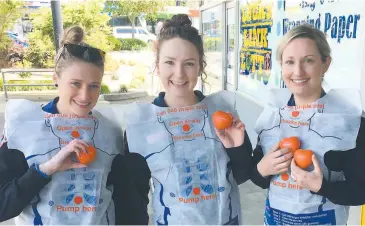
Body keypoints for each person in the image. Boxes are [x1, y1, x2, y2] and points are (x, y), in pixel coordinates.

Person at [0, 25, 149, 225]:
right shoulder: (24, 127)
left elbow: (125, 201)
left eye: (94, 86)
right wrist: (45, 170)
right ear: (56, 79)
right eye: (75, 84)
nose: (85, 96)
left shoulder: (109, 131)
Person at [122, 14, 253, 225]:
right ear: (157, 66)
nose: (179, 73)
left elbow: (243, 175)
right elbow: (135, 194)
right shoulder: (142, 125)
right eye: (170, 62)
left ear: (200, 66)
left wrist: (236, 148)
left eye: (189, 64)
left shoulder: (223, 113)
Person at [250, 24, 365, 225]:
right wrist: (262, 169)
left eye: (308, 61)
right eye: (290, 62)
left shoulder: (350, 120)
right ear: (282, 66)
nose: (298, 71)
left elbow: (361, 190)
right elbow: (258, 178)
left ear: (325, 64)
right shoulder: (272, 115)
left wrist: (322, 186)